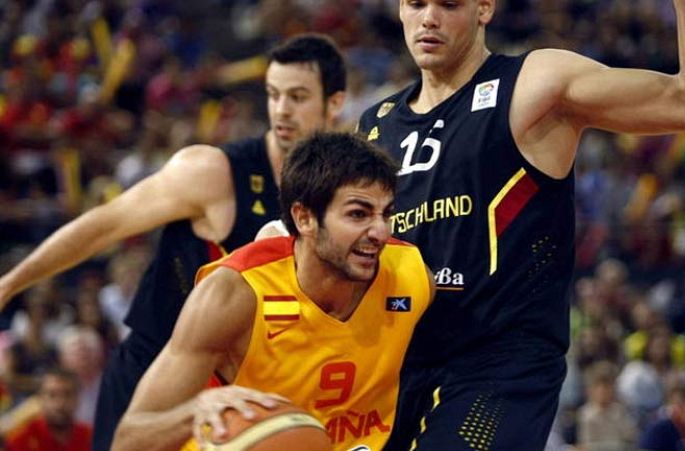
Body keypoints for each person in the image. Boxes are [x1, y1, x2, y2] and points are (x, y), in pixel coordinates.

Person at [357, 1, 685, 449]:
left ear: (484, 8)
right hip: (397, 364)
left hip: (498, 367)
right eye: (416, 3)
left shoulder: (532, 83)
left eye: (449, 3)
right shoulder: (376, 125)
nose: (429, 17)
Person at [0, 34, 347, 450]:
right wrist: (10, 283)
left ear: (335, 104)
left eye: (298, 97)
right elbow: (101, 226)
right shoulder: (212, 172)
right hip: (154, 373)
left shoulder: (339, 191)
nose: (281, 110)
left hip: (247, 383)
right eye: (273, 95)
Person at [112, 132, 435, 451]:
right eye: (358, 214)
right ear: (304, 218)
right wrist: (195, 410)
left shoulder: (411, 277)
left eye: (386, 213)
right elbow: (129, 440)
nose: (380, 231)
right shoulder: (234, 293)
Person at [5, 367, 92, 451]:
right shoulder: (21, 440)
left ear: (78, 398)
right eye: (52, 395)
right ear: (40, 398)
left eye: (67, 394)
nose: (60, 403)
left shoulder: (91, 437)